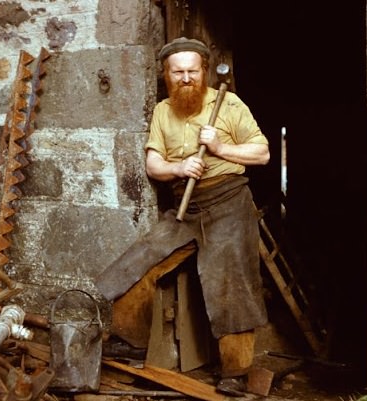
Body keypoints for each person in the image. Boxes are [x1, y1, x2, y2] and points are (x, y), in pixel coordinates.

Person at [94, 37, 270, 396]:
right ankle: (132, 341)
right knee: (137, 263)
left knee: (230, 282)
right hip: (186, 208)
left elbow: (263, 153)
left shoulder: (228, 104)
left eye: (192, 71)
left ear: (204, 72)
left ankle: (235, 371)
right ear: (166, 75)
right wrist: (178, 167)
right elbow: (153, 165)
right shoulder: (163, 111)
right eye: (178, 72)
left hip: (229, 203)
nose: (186, 78)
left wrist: (221, 148)